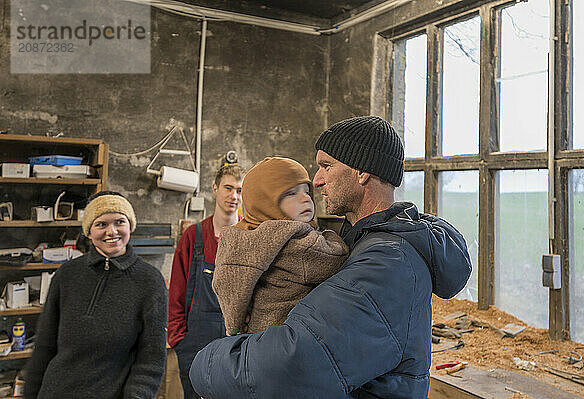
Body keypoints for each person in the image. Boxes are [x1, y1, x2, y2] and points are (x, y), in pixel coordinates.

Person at [189, 116, 472, 398]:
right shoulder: (359, 242)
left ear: (361, 173)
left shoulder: (387, 264)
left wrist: (205, 362)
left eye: (326, 166)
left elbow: (291, 364)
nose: (317, 180)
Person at [25, 191, 168, 398]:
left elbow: (151, 359)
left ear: (130, 226)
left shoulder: (150, 282)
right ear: (89, 232)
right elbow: (44, 348)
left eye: (120, 222)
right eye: (101, 224)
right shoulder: (66, 275)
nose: (112, 231)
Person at [213, 157, 348, 336]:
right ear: (265, 202)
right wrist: (330, 235)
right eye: (291, 194)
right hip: (289, 337)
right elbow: (337, 256)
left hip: (257, 333)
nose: (305, 198)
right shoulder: (294, 241)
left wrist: (234, 325)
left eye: (306, 191)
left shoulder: (240, 238)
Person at [168, 164, 244, 398]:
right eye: (228, 188)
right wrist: (179, 339)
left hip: (238, 343)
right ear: (215, 189)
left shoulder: (251, 236)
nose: (234, 196)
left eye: (240, 190)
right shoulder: (194, 236)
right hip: (195, 344)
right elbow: (176, 292)